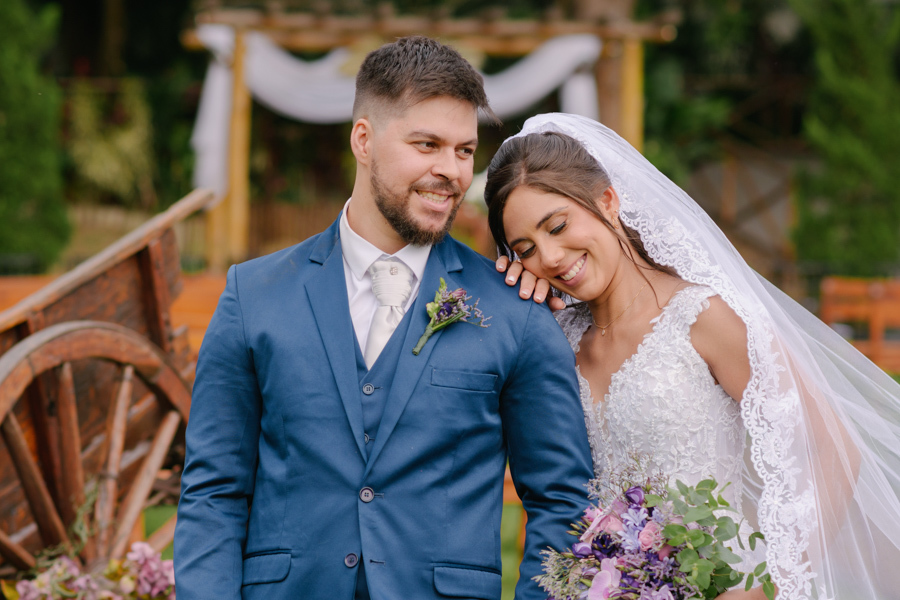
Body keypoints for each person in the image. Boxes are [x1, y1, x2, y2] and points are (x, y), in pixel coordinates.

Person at [174, 40, 593, 600]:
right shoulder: (253, 295)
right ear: (363, 140)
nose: (450, 171)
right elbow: (214, 491)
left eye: (465, 151)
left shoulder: (515, 310)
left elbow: (561, 503)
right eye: (427, 145)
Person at [485, 113, 900, 600]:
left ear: (608, 201)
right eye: (526, 249)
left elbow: (833, 446)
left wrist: (769, 585)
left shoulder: (701, 317)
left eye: (557, 226)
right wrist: (517, 304)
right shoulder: (552, 339)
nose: (550, 257)